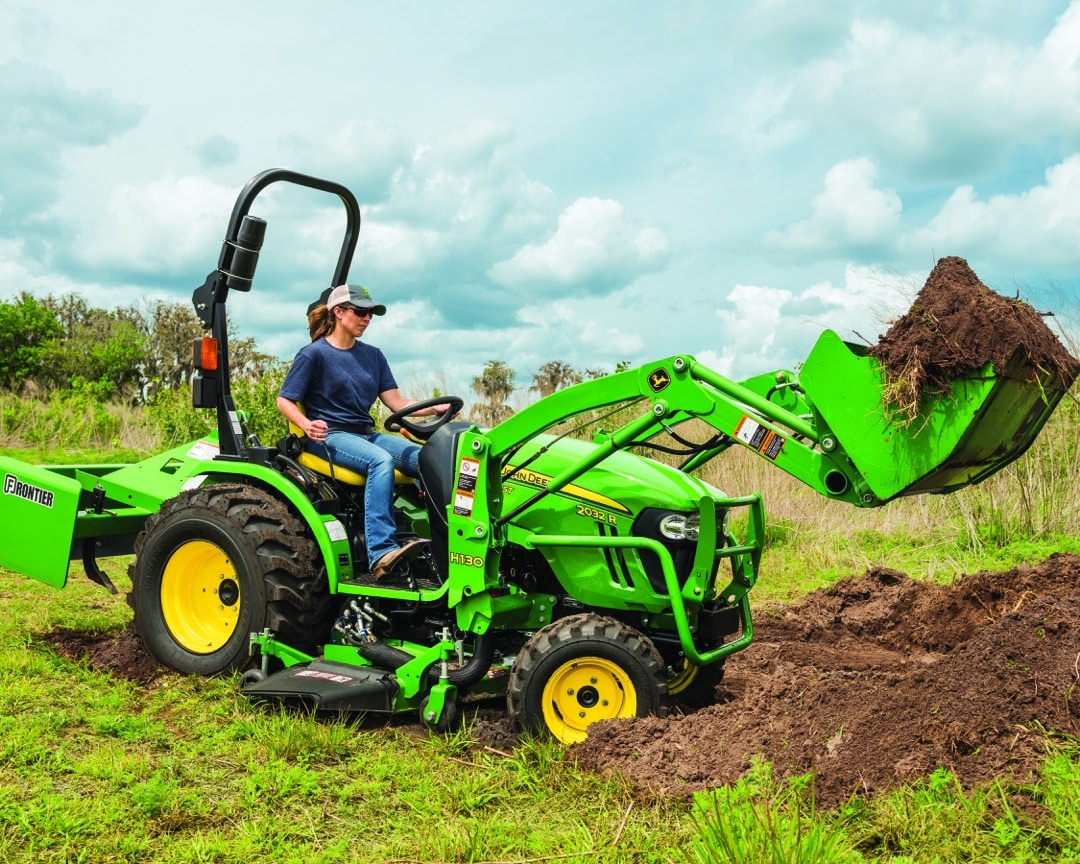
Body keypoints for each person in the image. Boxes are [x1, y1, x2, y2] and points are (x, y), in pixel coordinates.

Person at [277, 284, 438, 580]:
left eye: (371, 314)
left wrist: (432, 408)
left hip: (366, 434)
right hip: (329, 437)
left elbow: (397, 402)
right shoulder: (313, 355)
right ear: (338, 312)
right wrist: (305, 424)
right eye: (361, 312)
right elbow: (284, 399)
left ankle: (444, 542)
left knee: (428, 458)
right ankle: (381, 552)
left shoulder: (373, 356)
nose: (367, 318)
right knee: (380, 461)